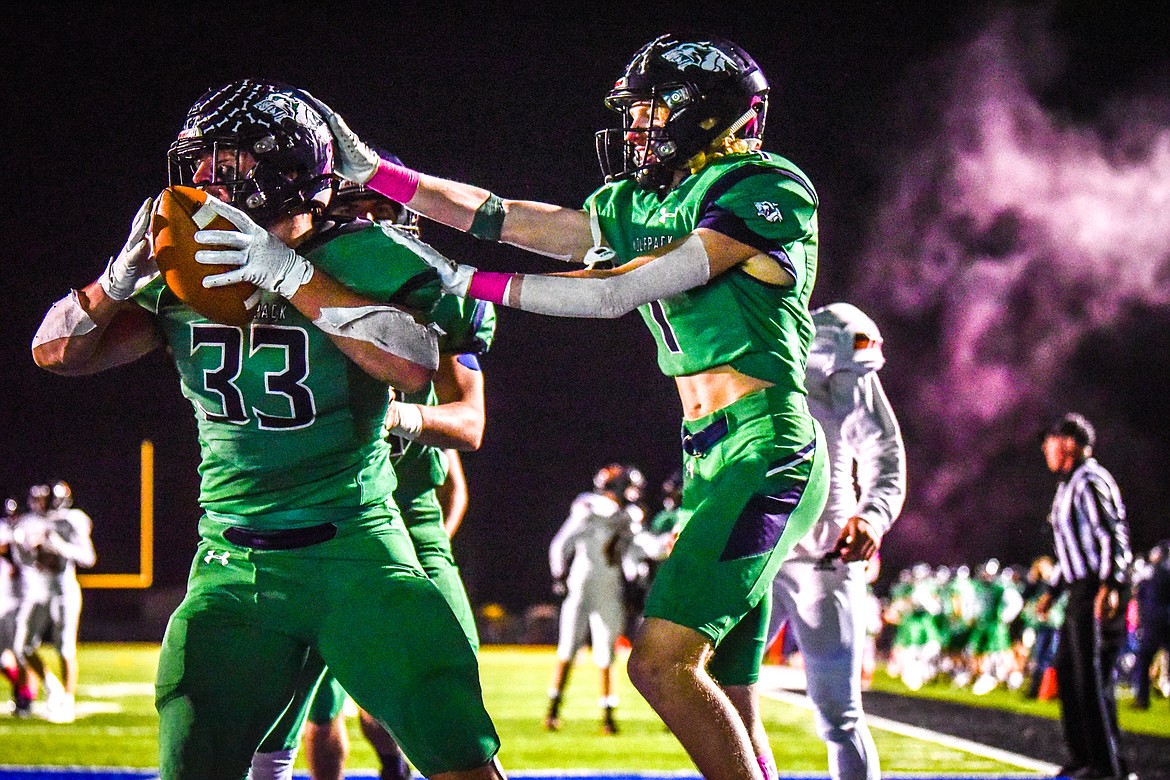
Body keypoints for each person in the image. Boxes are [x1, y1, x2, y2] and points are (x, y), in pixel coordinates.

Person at [314, 32, 830, 780]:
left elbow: (618, 290)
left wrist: (461, 280)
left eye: (654, 109)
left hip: (767, 446)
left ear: (707, 114)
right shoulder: (637, 201)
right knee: (733, 696)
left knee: (660, 666)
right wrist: (388, 178)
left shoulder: (766, 186)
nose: (637, 127)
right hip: (712, 455)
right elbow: (507, 217)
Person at [31, 80, 504, 780]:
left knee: (456, 750)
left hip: (356, 549)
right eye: (199, 162)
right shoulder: (185, 269)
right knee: (202, 759)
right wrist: (118, 278)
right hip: (230, 557)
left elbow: (414, 364)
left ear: (284, 172)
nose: (202, 180)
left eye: (226, 162)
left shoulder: (370, 256)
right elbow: (56, 353)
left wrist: (290, 277)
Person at [249, 179, 498, 780]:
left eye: (384, 214)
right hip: (315, 527)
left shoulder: (434, 302)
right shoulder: (282, 296)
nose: (370, 227)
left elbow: (468, 424)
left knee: (450, 714)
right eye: (355, 214)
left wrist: (394, 414)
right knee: (271, 729)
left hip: (410, 528)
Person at [765, 302, 905, 780]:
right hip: (753, 550)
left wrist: (871, 516)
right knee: (716, 689)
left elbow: (880, 447)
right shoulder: (735, 320)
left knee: (837, 716)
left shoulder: (832, 330)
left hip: (819, 556)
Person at [1037, 413, 1134, 780]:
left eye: (1051, 440)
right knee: (1069, 671)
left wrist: (1112, 584)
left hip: (1096, 587)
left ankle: (1105, 766)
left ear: (1070, 443)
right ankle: (1083, 756)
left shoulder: (1090, 479)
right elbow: (1070, 551)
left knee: (1091, 677)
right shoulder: (1068, 485)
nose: (1046, 448)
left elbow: (1112, 535)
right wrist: (1053, 590)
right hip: (1080, 588)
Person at [545, 463, 644, 735]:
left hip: (609, 588)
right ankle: (553, 709)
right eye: (628, 487)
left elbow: (635, 552)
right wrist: (559, 574)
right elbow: (561, 543)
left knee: (607, 652)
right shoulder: (590, 507)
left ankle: (608, 716)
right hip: (580, 586)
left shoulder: (630, 516)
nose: (633, 493)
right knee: (567, 648)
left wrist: (640, 571)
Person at [8, 479, 97, 722]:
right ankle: (53, 688)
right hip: (37, 591)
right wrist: (26, 547)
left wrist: (57, 546)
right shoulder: (30, 523)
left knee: (65, 647)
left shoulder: (72, 520)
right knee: (22, 646)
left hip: (63, 589)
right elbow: (25, 561)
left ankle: (67, 702)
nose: (42, 504)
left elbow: (88, 558)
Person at [1131, 541, 1170, 710]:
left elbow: (1139, 595)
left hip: (1154, 621)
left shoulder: (1149, 572)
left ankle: (1142, 699)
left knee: (1144, 657)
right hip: (1162, 618)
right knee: (1145, 657)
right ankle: (1142, 698)